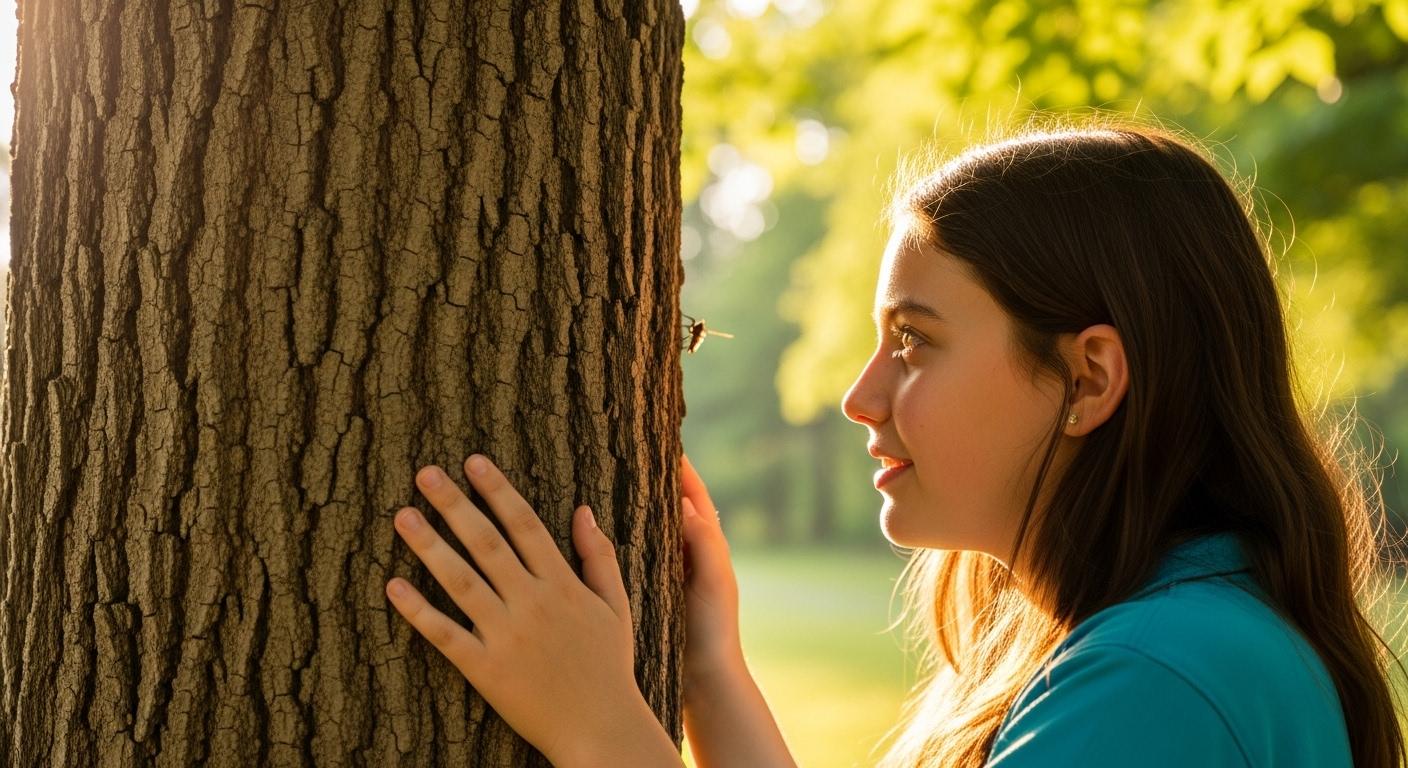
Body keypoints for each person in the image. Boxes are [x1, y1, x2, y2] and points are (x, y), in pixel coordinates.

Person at [382, 124, 1406, 767]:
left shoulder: (1161, 678)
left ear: (1088, 378)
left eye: (914, 342)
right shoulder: (1184, 640)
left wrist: (596, 726)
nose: (859, 396)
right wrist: (708, 672)